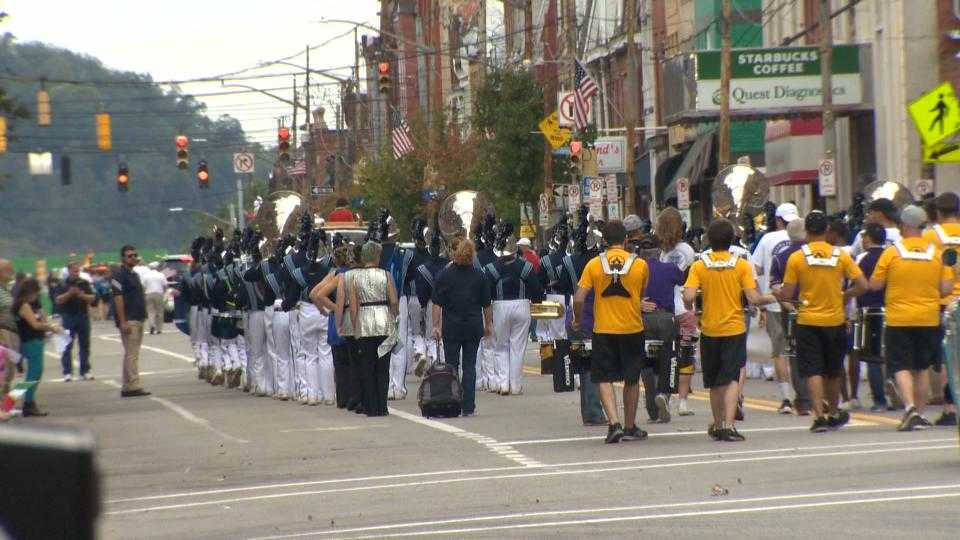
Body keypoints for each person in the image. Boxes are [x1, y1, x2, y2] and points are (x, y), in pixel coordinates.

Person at [683, 220, 776, 442]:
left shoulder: (699, 265)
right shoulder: (742, 265)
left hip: (709, 329)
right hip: (734, 327)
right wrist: (774, 297)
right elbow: (753, 298)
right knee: (732, 378)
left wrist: (690, 307)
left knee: (714, 381)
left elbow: (687, 297)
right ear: (732, 239)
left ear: (709, 241)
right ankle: (728, 424)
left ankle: (717, 424)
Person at [779, 212, 867, 432]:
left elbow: (788, 292)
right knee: (833, 370)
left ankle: (818, 416)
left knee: (812, 370)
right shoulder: (841, 256)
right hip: (835, 320)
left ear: (807, 232)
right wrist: (846, 295)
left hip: (808, 320)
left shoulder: (797, 258)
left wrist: (780, 293)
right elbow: (863, 285)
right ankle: (834, 412)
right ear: (827, 231)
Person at [869, 205, 954, 431]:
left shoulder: (892, 252)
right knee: (922, 367)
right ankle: (921, 413)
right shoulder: (936, 253)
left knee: (900, 365)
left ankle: (909, 409)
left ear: (904, 226)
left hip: (899, 318)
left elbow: (874, 284)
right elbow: (945, 289)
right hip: (928, 318)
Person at [573, 220, 650, 444]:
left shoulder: (594, 265)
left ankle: (613, 423)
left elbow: (579, 297)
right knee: (632, 378)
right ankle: (629, 425)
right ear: (626, 240)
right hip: (632, 327)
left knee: (604, 377)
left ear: (604, 241)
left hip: (604, 329)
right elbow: (642, 292)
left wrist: (578, 320)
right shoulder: (640, 264)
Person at [432, 238, 493, 416]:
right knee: (470, 366)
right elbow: (486, 304)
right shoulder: (479, 275)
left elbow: (437, 304)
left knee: (452, 365)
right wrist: (488, 324)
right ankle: (468, 406)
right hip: (473, 325)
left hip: (452, 326)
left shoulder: (445, 275)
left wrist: (436, 325)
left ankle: (453, 402)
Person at [750, 203, 802, 414]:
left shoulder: (768, 239)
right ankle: (803, 396)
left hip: (773, 301)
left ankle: (787, 398)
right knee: (797, 350)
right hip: (800, 302)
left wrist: (758, 298)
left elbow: (755, 269)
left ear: (777, 220)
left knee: (779, 351)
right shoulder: (803, 239)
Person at [486, 233, 544, 395]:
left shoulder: (492, 268)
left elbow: (487, 292)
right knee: (518, 347)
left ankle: (503, 383)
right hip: (522, 305)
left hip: (499, 306)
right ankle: (516, 385)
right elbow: (536, 289)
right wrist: (537, 301)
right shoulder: (525, 266)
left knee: (501, 346)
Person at [636, 236, 684, 423]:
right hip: (666, 318)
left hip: (644, 319)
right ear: (658, 252)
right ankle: (664, 393)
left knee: (647, 365)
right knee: (670, 359)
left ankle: (653, 411)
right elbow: (682, 279)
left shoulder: (637, 270)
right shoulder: (669, 268)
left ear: (641, 254)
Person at [348, 241, 399, 417]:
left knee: (367, 366)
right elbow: (393, 300)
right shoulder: (386, 275)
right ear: (377, 256)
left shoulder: (355, 278)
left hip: (365, 321)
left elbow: (354, 307)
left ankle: (371, 407)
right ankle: (382, 406)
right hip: (383, 320)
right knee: (383, 366)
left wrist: (355, 326)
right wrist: (394, 316)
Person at [922, 192, 960, 426]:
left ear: (937, 213)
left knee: (949, 357)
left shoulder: (930, 236)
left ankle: (949, 406)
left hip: (944, 302)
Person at [657, 207, 698, 416]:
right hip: (686, 309)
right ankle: (683, 402)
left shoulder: (662, 254)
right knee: (686, 354)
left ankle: (665, 394)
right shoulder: (688, 251)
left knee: (669, 355)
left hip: (668, 309)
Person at [769, 219, 812, 415]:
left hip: (792, 312)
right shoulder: (815, 253)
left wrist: (790, 306)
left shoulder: (779, 258)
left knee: (795, 354)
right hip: (819, 309)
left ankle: (802, 400)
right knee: (817, 352)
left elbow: (775, 287)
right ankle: (821, 398)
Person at [853, 223, 894, 412]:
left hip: (869, 312)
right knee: (893, 356)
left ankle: (880, 399)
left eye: (864, 236)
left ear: (868, 239)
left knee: (873, 358)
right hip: (892, 309)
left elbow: (857, 284)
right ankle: (896, 396)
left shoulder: (862, 258)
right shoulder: (893, 255)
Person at [13, 278, 60, 416]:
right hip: (29, 341)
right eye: (35, 293)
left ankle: (28, 401)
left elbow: (43, 318)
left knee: (36, 373)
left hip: (37, 340)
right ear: (29, 291)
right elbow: (35, 324)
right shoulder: (24, 305)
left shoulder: (35, 304)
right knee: (33, 374)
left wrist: (47, 323)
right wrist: (50, 327)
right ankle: (23, 402)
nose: (36, 296)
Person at [111, 245, 151, 398]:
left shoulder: (134, 274)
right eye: (129, 256)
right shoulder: (119, 275)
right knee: (132, 354)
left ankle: (127, 386)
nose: (133, 258)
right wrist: (123, 321)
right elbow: (118, 298)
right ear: (123, 258)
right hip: (129, 319)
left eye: (135, 255)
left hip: (138, 317)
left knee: (131, 353)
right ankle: (133, 385)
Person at [53, 262, 96, 381]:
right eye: (74, 270)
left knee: (85, 345)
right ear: (69, 271)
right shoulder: (62, 284)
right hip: (68, 316)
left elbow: (93, 298)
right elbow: (58, 300)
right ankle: (67, 372)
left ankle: (85, 370)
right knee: (67, 345)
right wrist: (69, 293)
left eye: (78, 271)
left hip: (82, 315)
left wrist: (82, 296)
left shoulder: (84, 283)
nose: (76, 273)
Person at [0, 260, 20, 397]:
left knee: (10, 370)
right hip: (3, 331)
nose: (11, 271)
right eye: (8, 269)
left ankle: (5, 405)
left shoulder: (6, 289)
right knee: (5, 370)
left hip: (11, 331)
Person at [143, 262, 168, 335]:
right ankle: (159, 329)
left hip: (149, 294)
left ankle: (152, 325)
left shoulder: (146, 275)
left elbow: (143, 286)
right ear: (157, 267)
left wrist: (144, 293)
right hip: (159, 294)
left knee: (150, 311)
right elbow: (165, 286)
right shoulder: (161, 275)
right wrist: (164, 293)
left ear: (150, 268)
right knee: (160, 312)